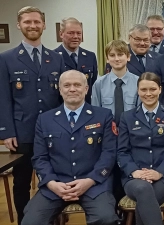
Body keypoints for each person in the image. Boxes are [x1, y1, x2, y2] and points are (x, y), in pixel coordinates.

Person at [21, 70, 118, 225]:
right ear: (60, 90)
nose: (72, 89)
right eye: (67, 85)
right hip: (56, 185)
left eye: (77, 85)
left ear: (86, 89)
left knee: (105, 218)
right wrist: (52, 183)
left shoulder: (103, 116)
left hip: (93, 184)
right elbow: (40, 158)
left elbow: (109, 154)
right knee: (31, 221)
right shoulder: (45, 119)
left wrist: (90, 180)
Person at [0, 6, 65, 224]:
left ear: (44, 25)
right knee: (21, 183)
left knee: (55, 178)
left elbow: (61, 97)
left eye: (37, 22)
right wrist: (7, 131)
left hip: (53, 132)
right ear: (19, 25)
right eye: (27, 22)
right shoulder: (6, 58)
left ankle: (55, 219)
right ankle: (24, 220)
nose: (33, 26)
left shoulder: (56, 58)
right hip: (22, 132)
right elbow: (3, 98)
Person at [117, 72, 164, 225]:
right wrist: (135, 171)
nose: (148, 94)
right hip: (135, 177)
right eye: (143, 90)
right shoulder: (127, 117)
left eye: (152, 89)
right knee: (143, 190)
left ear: (160, 89)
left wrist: (159, 172)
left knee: (145, 199)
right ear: (138, 91)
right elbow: (122, 151)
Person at [91, 40, 139, 204]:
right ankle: (114, 210)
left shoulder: (138, 82)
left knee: (128, 172)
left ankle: (130, 212)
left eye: (120, 54)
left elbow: (139, 113)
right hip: (108, 138)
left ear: (128, 57)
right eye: (112, 55)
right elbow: (96, 113)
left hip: (132, 137)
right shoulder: (99, 84)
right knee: (112, 174)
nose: (117, 58)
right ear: (107, 59)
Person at [54, 17, 98, 103]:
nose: (75, 36)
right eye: (71, 33)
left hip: (86, 108)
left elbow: (92, 85)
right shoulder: (53, 57)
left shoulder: (90, 56)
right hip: (62, 108)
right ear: (61, 34)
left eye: (79, 33)